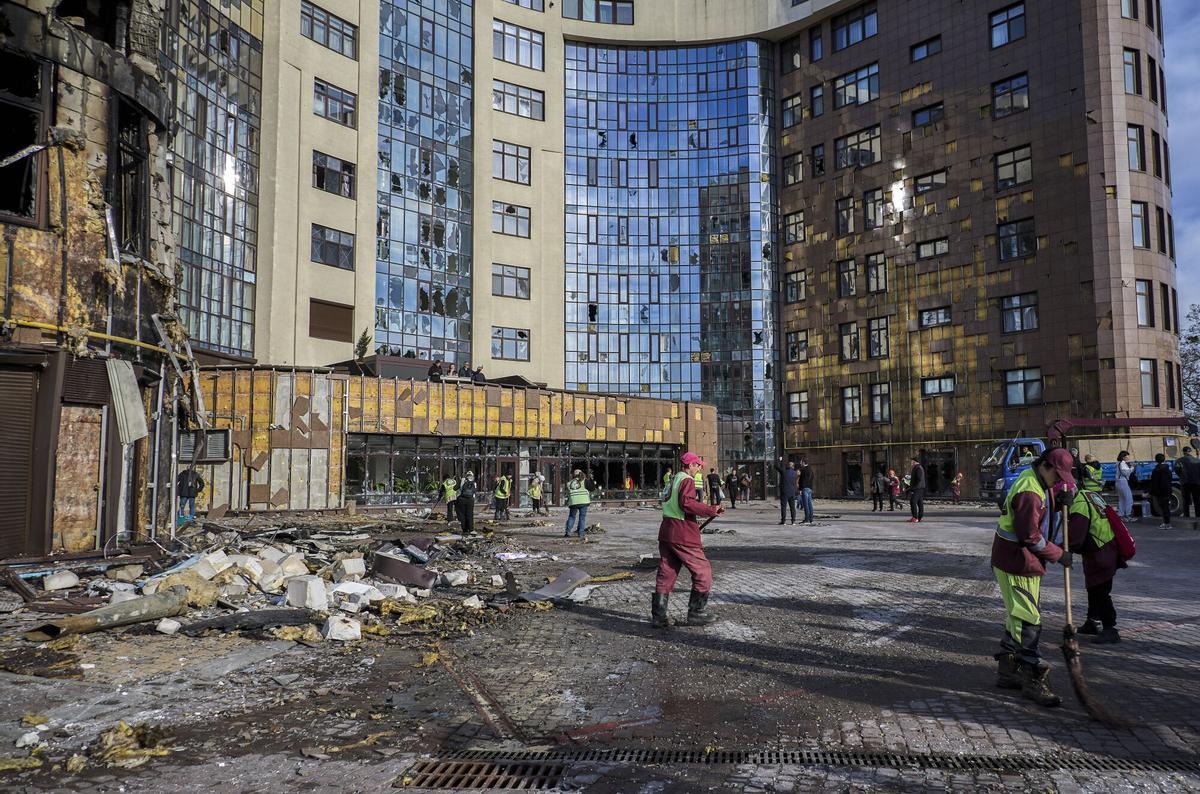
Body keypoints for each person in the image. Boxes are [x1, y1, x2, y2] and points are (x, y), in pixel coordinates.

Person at [991, 448, 1073, 707]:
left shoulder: (1035, 479)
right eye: (1057, 476)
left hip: (1021, 561)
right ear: (1045, 466)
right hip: (1017, 562)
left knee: (1018, 615)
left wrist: (1060, 498)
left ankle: (1007, 671)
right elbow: (1030, 535)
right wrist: (1058, 554)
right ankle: (1031, 678)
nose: (1058, 481)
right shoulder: (1030, 490)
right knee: (1028, 620)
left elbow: (1040, 511)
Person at [651, 452, 725, 628]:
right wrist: (711, 509)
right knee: (703, 571)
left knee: (667, 572)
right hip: (683, 532)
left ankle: (659, 616)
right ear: (690, 465)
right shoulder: (687, 480)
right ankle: (696, 612)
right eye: (697, 465)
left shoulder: (673, 479)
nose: (699, 469)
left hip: (667, 530)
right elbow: (687, 504)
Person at [1067, 488, 1126, 644]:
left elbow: (1075, 539)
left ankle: (1110, 629)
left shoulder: (1079, 505)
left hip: (1101, 551)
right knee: (1094, 588)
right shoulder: (1088, 493)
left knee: (1100, 591)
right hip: (1106, 547)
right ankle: (1092, 621)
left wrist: (1057, 550)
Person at [564, 469, 594, 539]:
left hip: (573, 502)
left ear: (573, 475)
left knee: (571, 516)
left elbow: (568, 493)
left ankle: (568, 532)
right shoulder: (585, 481)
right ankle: (581, 534)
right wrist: (591, 479)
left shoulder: (569, 483)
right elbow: (592, 488)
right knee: (582, 518)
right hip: (583, 501)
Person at [1150, 453, 1173, 529]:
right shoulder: (1168, 469)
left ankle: (1167, 524)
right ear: (1164, 459)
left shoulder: (1156, 471)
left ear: (1156, 460)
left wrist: (1151, 492)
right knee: (1166, 508)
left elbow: (1154, 483)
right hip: (1167, 491)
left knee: (1163, 508)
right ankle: (1167, 523)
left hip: (1160, 492)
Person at [1175, 447, 1200, 517]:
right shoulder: (1197, 460)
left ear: (1183, 452)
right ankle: (1198, 515)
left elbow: (1177, 470)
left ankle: (1186, 515)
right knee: (1197, 500)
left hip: (1185, 483)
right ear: (1190, 451)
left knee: (1186, 500)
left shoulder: (1179, 460)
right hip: (1196, 483)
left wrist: (1182, 476)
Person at [776, 458, 798, 525]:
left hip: (784, 492)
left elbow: (776, 466)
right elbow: (795, 483)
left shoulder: (784, 471)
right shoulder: (795, 473)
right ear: (793, 466)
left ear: (788, 466)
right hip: (792, 492)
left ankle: (783, 521)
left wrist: (779, 460)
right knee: (792, 507)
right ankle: (793, 521)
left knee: (783, 507)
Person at [1115, 451, 1134, 519]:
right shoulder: (1122, 463)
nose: (1128, 457)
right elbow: (1125, 473)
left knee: (1122, 499)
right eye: (1127, 456)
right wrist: (1132, 468)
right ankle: (1128, 515)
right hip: (1123, 482)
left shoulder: (1118, 463)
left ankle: (1121, 515)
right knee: (1129, 499)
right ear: (1123, 457)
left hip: (1118, 482)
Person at [907, 457, 926, 523]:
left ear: (914, 461)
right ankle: (919, 517)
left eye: (911, 461)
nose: (911, 463)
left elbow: (919, 479)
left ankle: (915, 517)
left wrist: (913, 487)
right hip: (919, 488)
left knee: (913, 501)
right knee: (919, 502)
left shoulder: (918, 468)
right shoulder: (918, 467)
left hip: (917, 488)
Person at [798, 458, 815, 524]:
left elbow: (802, 480)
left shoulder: (804, 470)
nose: (800, 463)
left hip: (804, 489)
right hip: (810, 488)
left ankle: (807, 519)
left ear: (803, 462)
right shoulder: (811, 469)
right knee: (810, 504)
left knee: (806, 505)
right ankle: (811, 519)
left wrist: (800, 489)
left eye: (801, 462)